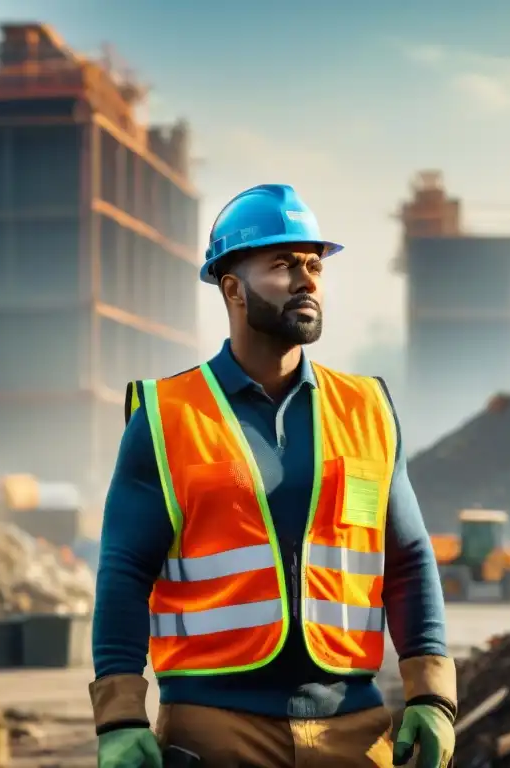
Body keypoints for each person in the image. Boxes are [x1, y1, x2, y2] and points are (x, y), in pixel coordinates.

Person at [90, 184, 456, 767]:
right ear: (232, 288)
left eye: (313, 265)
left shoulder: (367, 409)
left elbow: (407, 560)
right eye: (282, 264)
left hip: (353, 729)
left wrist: (432, 691)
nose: (306, 279)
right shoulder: (167, 418)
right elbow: (123, 573)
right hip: (211, 732)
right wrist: (119, 716)